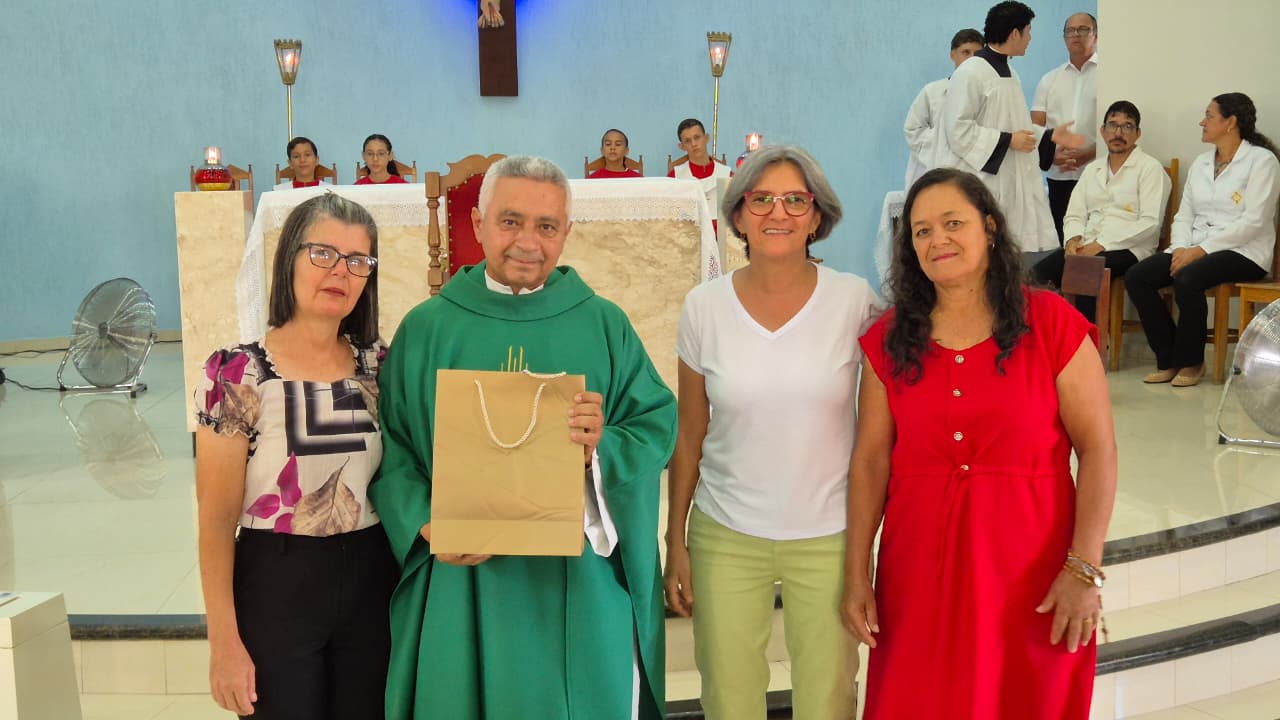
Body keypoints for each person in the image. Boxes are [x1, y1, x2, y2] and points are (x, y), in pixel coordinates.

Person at [370, 155, 677, 720]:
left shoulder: (603, 324)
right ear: (478, 223)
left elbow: (654, 424)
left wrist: (601, 446)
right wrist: (424, 523)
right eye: (510, 221)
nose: (528, 242)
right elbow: (395, 449)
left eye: (546, 226)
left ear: (566, 232)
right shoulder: (428, 328)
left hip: (578, 577)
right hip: (461, 574)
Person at [842, 168, 1116, 719]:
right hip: (920, 574)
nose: (937, 240)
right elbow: (870, 462)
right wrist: (856, 574)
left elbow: (1099, 450)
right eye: (921, 231)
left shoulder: (1052, 324)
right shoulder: (889, 340)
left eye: (953, 223)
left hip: (1034, 572)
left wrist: (1083, 568)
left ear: (989, 227)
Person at [665, 145, 881, 719]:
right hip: (726, 533)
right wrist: (675, 539)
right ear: (738, 215)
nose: (777, 213)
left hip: (829, 535)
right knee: (728, 699)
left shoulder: (854, 301)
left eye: (794, 200)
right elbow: (690, 433)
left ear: (817, 215)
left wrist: (865, 551)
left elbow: (877, 439)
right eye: (760, 200)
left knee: (828, 700)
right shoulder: (704, 307)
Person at [194, 193, 397, 719]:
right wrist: (223, 643)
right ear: (289, 258)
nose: (340, 272)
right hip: (276, 585)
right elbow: (215, 521)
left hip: (371, 580)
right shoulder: (238, 373)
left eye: (358, 260)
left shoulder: (381, 367)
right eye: (323, 253)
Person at [1124, 92, 1280, 387]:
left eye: (1209, 116)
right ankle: (1169, 358)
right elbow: (1184, 215)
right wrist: (1182, 248)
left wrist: (1200, 251)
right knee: (1137, 277)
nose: (1202, 122)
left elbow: (1254, 222)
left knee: (1188, 278)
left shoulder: (1262, 161)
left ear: (1231, 122)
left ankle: (1192, 362)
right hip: (1194, 246)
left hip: (1244, 251)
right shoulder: (1201, 163)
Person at [941, 1, 1086, 258]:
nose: (1030, 38)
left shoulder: (1011, 73)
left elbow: (1014, 125)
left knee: (1009, 256)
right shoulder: (971, 72)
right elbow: (958, 130)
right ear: (1015, 33)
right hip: (984, 180)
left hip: (1010, 177)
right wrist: (1008, 140)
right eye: (1028, 31)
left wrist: (1049, 136)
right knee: (984, 252)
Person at [1032, 100, 1170, 319]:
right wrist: (1073, 240)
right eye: (1113, 125)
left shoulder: (1150, 168)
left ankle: (1089, 337)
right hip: (1087, 244)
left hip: (1130, 248)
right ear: (1103, 131)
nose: (1118, 133)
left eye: (1127, 126)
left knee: (1086, 269)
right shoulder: (1092, 169)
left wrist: (1101, 245)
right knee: (1035, 276)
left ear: (1137, 134)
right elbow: (1074, 213)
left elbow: (1150, 223)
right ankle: (1048, 335)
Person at [1031, 13, 1100, 245]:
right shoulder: (1049, 80)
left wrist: (1089, 153)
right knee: (1063, 242)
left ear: (1096, 35)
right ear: (1064, 38)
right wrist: (1052, 154)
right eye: (1070, 30)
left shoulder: (1109, 75)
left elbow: (1116, 125)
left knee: (1093, 241)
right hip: (1058, 173)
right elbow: (1035, 126)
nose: (1076, 35)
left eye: (1083, 29)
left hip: (1096, 172)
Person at [903, 28, 984, 189]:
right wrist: (944, 142)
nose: (971, 59)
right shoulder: (932, 92)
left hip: (977, 174)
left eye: (977, 54)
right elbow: (912, 130)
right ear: (953, 55)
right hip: (938, 172)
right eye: (965, 52)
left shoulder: (987, 93)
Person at [668, 118, 733, 228]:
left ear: (706, 138)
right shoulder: (675, 177)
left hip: (721, 236)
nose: (694, 144)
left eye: (697, 137)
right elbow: (669, 215)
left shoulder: (727, 175)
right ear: (682, 146)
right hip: (688, 235)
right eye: (687, 141)